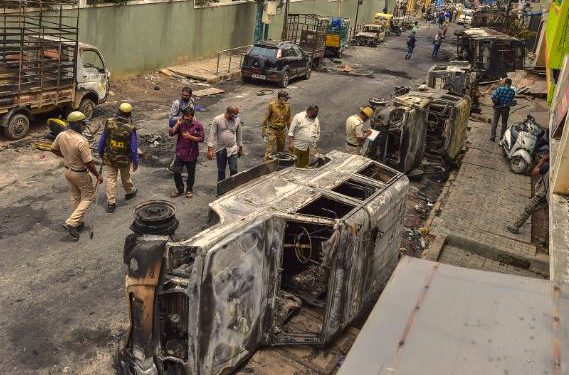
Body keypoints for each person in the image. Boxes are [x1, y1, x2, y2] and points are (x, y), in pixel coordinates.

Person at [51, 111, 104, 240]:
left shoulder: (62, 135)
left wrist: (66, 156)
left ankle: (78, 222)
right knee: (88, 197)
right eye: (82, 124)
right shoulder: (82, 141)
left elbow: (53, 149)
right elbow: (89, 163)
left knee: (75, 196)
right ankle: (71, 222)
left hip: (67, 171)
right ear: (78, 125)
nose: (83, 126)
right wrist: (97, 175)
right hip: (79, 173)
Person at [98, 103, 139, 213]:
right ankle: (129, 192)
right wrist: (135, 161)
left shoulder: (110, 123)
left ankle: (111, 203)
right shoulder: (130, 128)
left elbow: (102, 140)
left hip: (111, 158)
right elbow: (133, 147)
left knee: (111, 179)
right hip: (124, 159)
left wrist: (101, 153)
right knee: (126, 176)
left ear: (118, 112)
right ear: (129, 114)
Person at [506, 154, 549, 234]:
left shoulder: (546, 166)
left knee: (527, 209)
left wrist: (541, 162)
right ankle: (543, 239)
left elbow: (534, 172)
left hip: (542, 195)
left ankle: (515, 226)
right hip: (548, 196)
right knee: (547, 218)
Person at [168, 107, 205, 198]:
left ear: (192, 116)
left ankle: (189, 190)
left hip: (192, 154)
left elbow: (201, 139)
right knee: (176, 172)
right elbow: (171, 133)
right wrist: (177, 124)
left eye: (188, 116)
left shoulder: (198, 125)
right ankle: (180, 189)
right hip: (180, 153)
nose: (187, 118)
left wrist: (190, 137)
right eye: (185, 116)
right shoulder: (181, 124)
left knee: (191, 174)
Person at [207, 105, 243, 182]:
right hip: (221, 149)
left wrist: (240, 148)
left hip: (233, 148)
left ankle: (233, 188)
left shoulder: (237, 120)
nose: (236, 117)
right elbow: (212, 134)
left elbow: (239, 135)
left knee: (234, 169)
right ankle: (221, 190)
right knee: (221, 171)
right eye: (234, 115)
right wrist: (210, 149)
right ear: (229, 113)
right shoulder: (217, 119)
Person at [261, 90, 291, 162]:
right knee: (269, 150)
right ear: (281, 98)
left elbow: (288, 120)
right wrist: (264, 131)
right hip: (272, 131)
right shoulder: (272, 105)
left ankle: (278, 165)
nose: (287, 100)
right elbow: (265, 119)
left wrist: (291, 133)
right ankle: (266, 164)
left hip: (282, 131)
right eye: (286, 98)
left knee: (280, 150)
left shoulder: (287, 106)